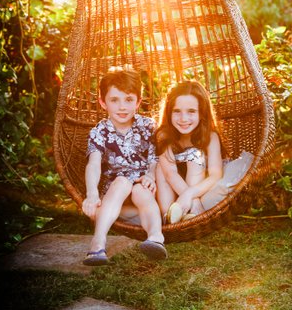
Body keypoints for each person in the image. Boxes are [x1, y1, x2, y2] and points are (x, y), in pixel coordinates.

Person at [82, 69, 167, 265]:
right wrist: (92, 194)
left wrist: (150, 176)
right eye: (114, 100)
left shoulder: (147, 126)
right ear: (103, 102)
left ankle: (155, 237)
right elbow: (93, 164)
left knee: (141, 191)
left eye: (128, 100)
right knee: (121, 182)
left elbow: (155, 158)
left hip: (141, 182)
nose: (122, 107)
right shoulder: (99, 131)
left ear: (138, 101)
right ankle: (98, 243)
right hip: (114, 189)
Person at [155, 80, 226, 222]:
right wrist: (193, 201)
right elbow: (170, 174)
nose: (183, 119)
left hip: (197, 185)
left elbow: (215, 174)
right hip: (171, 185)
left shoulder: (210, 136)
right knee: (160, 167)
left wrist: (190, 195)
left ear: (202, 113)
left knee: (195, 156)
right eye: (177, 111)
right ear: (169, 113)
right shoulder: (164, 134)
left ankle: (188, 214)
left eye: (191, 111)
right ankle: (168, 215)